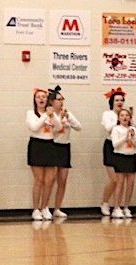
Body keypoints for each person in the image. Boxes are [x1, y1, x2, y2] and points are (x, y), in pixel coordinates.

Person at [26, 88, 62, 221]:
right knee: (39, 180)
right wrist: (46, 116)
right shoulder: (31, 113)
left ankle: (45, 207)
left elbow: (59, 128)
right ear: (35, 100)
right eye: (38, 97)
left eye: (43, 97)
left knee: (50, 180)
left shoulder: (51, 113)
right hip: (37, 145)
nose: (41, 99)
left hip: (50, 145)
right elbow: (34, 127)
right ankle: (36, 209)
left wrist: (52, 116)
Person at [49, 86, 81, 218]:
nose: (61, 102)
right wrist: (60, 121)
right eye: (58, 100)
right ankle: (44, 207)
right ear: (51, 102)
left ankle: (57, 208)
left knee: (62, 180)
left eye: (62, 99)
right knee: (50, 179)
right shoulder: (50, 115)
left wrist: (68, 117)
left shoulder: (67, 113)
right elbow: (50, 132)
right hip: (53, 146)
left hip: (65, 147)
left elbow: (79, 127)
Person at [110, 108, 136, 219]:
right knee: (120, 183)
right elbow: (115, 144)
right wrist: (125, 137)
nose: (124, 117)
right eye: (122, 115)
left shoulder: (133, 129)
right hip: (120, 157)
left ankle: (126, 207)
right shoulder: (116, 129)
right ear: (119, 118)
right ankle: (116, 208)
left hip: (131, 157)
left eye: (127, 115)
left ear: (130, 117)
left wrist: (132, 137)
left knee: (130, 183)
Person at [100, 88, 127, 216]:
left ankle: (118, 206)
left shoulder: (126, 115)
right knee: (114, 179)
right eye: (117, 100)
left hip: (122, 147)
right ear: (112, 102)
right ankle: (105, 202)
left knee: (121, 180)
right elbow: (108, 128)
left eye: (121, 100)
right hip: (110, 146)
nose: (119, 102)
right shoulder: (108, 114)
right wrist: (118, 119)